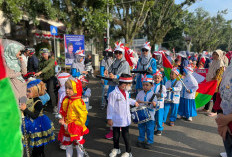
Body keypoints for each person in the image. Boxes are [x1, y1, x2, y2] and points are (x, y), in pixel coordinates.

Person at [20, 79, 55, 157]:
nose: (27, 93)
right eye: (26, 91)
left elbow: (35, 116)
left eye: (29, 91)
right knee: (34, 144)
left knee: (38, 144)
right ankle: (37, 154)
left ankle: (39, 154)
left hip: (38, 124)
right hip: (30, 123)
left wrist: (25, 109)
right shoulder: (28, 99)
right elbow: (26, 113)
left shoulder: (38, 102)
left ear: (35, 91)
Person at [107, 74, 138, 157]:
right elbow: (110, 106)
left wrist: (134, 102)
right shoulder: (113, 94)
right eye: (129, 84)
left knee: (126, 135)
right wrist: (109, 118)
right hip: (116, 118)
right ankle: (116, 148)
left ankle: (128, 152)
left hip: (125, 118)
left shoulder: (126, 92)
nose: (130, 86)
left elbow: (127, 100)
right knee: (115, 135)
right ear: (124, 84)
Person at [104, 42, 131, 139]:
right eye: (116, 52)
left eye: (119, 53)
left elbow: (124, 75)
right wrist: (107, 72)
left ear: (123, 53)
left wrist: (115, 76)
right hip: (112, 86)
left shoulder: (125, 63)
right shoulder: (114, 62)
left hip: (120, 88)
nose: (118, 54)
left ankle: (117, 129)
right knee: (112, 107)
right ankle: (114, 128)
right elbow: (110, 71)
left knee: (119, 109)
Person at [58, 78, 89, 157]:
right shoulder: (66, 99)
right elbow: (64, 112)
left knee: (78, 146)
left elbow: (82, 117)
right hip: (66, 126)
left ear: (76, 89)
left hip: (76, 127)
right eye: (66, 88)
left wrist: (72, 126)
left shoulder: (78, 102)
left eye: (70, 88)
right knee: (68, 145)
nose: (67, 90)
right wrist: (62, 118)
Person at [136, 74, 157, 149]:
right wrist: (136, 103)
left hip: (150, 116)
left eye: (147, 85)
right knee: (141, 127)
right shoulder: (139, 93)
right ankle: (141, 139)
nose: (145, 86)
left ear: (151, 85)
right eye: (143, 85)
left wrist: (154, 105)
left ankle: (150, 141)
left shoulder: (153, 95)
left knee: (149, 129)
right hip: (141, 114)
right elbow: (136, 102)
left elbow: (156, 106)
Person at [216, 60, 232, 157]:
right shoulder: (228, 73)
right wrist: (221, 116)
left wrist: (227, 119)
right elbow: (220, 95)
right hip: (226, 128)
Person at [204, 50, 226, 117]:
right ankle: (206, 108)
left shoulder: (220, 63)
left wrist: (214, 82)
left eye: (216, 54)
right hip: (210, 81)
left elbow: (219, 76)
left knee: (215, 97)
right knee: (208, 94)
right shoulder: (213, 61)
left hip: (216, 83)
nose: (214, 56)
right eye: (214, 54)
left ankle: (214, 111)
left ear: (219, 55)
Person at [35, 48, 57, 113]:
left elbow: (48, 67)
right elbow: (39, 69)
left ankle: (53, 106)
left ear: (48, 53)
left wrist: (40, 72)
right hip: (43, 78)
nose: (43, 55)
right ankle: (43, 105)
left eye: (44, 54)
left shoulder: (51, 60)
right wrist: (37, 79)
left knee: (50, 91)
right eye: (42, 54)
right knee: (40, 90)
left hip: (51, 78)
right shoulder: (41, 61)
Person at [152, 70, 167, 136]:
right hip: (153, 104)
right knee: (153, 116)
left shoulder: (162, 87)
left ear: (161, 79)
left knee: (159, 117)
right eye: (155, 78)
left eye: (158, 78)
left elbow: (165, 94)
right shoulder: (151, 86)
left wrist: (161, 95)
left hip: (160, 105)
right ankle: (153, 128)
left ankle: (159, 129)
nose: (157, 79)